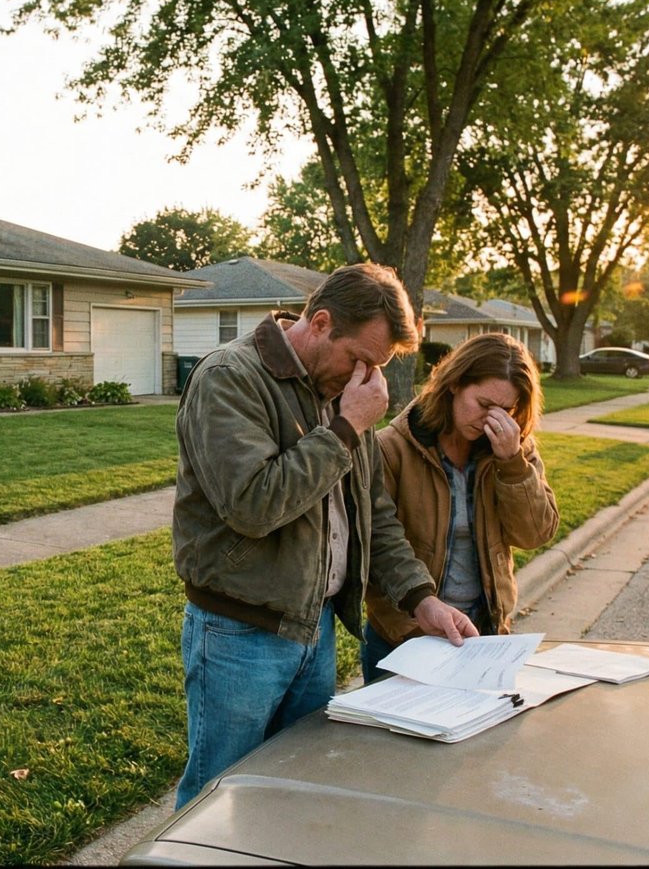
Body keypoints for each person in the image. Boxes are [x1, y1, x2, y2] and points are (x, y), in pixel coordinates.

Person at [171, 262, 479, 809]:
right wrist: (345, 428)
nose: (369, 379)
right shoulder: (230, 377)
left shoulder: (344, 391)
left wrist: (420, 599)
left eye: (379, 367)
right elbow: (252, 505)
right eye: (360, 359)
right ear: (319, 323)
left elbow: (374, 515)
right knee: (216, 801)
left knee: (291, 795)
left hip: (315, 630)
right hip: (238, 633)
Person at [360, 332, 560, 683]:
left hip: (484, 637)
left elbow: (535, 534)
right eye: (483, 404)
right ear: (454, 384)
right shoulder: (392, 448)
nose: (491, 420)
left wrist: (512, 464)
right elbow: (377, 545)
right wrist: (418, 613)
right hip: (404, 639)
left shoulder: (514, 450)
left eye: (507, 410)